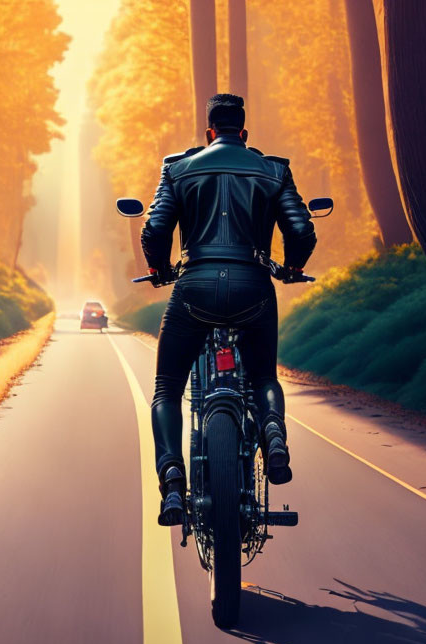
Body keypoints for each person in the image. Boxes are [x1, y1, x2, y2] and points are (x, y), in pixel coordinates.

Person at [140, 93, 317, 526]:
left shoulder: (177, 168)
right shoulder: (275, 170)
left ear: (208, 132)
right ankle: (273, 430)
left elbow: (155, 227)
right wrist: (292, 266)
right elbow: (301, 228)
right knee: (262, 377)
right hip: (253, 289)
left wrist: (160, 268)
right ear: (244, 132)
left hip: (194, 289)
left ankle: (172, 482)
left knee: (167, 387)